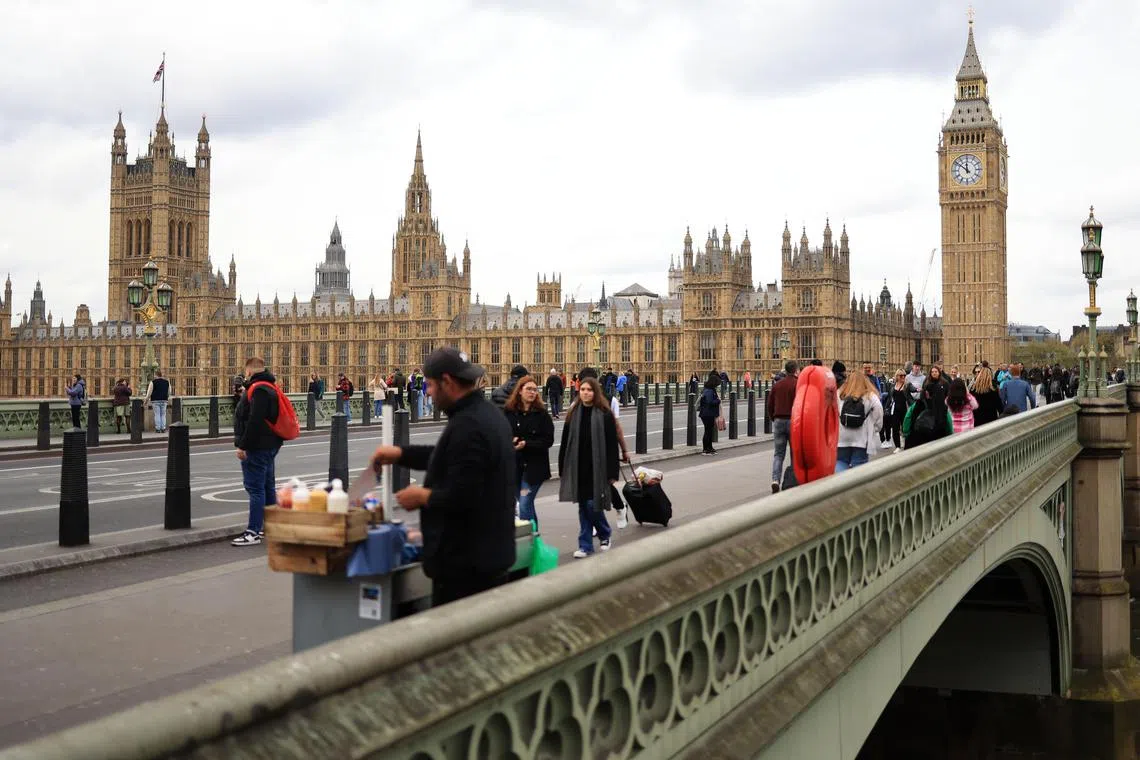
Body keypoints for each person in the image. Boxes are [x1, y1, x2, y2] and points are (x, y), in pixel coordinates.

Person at [369, 347, 516, 606]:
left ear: (447, 382)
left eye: (429, 385)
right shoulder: (487, 414)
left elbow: (465, 496)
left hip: (467, 571)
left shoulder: (469, 425)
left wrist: (422, 496)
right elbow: (452, 459)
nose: (427, 392)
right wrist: (400, 454)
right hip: (485, 557)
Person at [559, 377, 620, 558]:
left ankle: (604, 532)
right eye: (583, 389)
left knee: (592, 504)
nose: (585, 393)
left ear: (595, 392)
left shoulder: (605, 414)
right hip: (579, 466)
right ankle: (585, 545)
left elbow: (611, 445)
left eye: (589, 390)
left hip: (597, 468)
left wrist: (612, 472)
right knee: (583, 506)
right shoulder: (573, 413)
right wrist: (563, 467)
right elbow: (565, 442)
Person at [232, 358, 286, 547]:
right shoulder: (271, 387)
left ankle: (253, 532)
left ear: (248, 371)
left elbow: (255, 421)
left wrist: (243, 445)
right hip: (270, 444)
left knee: (255, 489)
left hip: (258, 447)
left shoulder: (259, 390)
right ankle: (271, 526)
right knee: (268, 487)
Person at [504, 375, 555, 527]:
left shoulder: (542, 415)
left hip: (534, 468)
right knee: (526, 504)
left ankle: (530, 537)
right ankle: (535, 536)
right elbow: (501, 433)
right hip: (515, 466)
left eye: (535, 390)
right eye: (529, 389)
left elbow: (548, 441)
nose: (532, 392)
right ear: (520, 391)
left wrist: (526, 444)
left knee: (525, 503)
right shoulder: (509, 412)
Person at [836, 371, 883, 471]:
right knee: (859, 467)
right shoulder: (870, 396)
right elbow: (879, 412)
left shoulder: (840, 394)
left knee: (841, 462)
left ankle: (841, 480)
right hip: (861, 439)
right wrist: (874, 428)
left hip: (842, 438)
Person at [767, 361, 799, 490]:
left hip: (779, 420)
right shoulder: (798, 384)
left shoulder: (778, 384)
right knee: (794, 453)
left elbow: (770, 404)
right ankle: (793, 480)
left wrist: (773, 418)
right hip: (793, 421)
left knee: (778, 454)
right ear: (795, 370)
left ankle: (775, 480)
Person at [902, 377, 953, 449]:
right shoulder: (942, 406)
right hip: (938, 442)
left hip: (917, 442)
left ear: (926, 393)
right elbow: (949, 424)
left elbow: (907, 418)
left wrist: (906, 433)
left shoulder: (917, 404)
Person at [698, 372, 722, 455]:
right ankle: (706, 449)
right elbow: (709, 402)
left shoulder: (708, 389)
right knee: (708, 431)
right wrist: (718, 401)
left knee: (709, 431)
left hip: (708, 413)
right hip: (707, 413)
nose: (717, 385)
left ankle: (710, 447)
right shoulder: (709, 390)